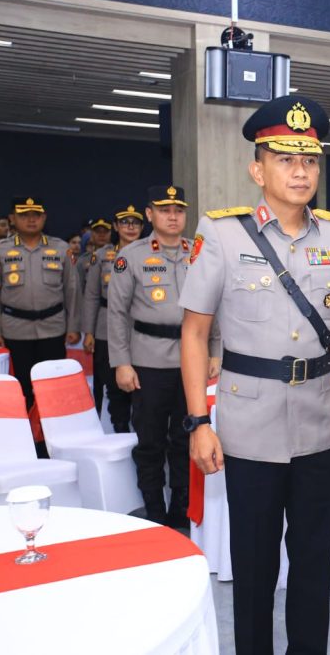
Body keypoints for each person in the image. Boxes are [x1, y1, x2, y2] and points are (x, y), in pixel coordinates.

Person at [181, 95, 330, 655]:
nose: (300, 171)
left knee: (314, 563)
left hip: (318, 422)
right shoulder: (222, 234)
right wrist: (198, 422)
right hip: (250, 425)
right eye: (285, 160)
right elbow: (194, 333)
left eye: (309, 160)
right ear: (257, 170)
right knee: (255, 565)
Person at [108, 185, 207, 527]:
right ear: (150, 215)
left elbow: (214, 306)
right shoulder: (131, 256)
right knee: (150, 441)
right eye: (165, 210)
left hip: (191, 362)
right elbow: (117, 314)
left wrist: (215, 353)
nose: (173, 216)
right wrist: (122, 363)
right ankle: (153, 511)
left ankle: (180, 510)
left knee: (185, 437)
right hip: (147, 362)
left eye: (178, 210)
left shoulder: (199, 253)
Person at [0, 197, 80, 410]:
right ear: (12, 219)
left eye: (36, 215)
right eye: (24, 215)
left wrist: (73, 326)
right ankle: (26, 429)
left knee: (53, 388)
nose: (31, 220)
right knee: (21, 388)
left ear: (44, 217)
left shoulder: (61, 248)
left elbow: (72, 290)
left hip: (53, 328)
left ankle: (49, 431)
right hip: (15, 330)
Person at [82, 205, 144, 433]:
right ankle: (120, 428)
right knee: (113, 384)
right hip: (106, 327)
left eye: (135, 223)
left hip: (140, 328)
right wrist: (88, 332)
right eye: (125, 223)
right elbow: (91, 296)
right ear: (116, 227)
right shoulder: (101, 256)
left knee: (142, 384)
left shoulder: (151, 253)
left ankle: (141, 432)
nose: (130, 227)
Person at [79, 218, 112, 288]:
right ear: (91, 234)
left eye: (105, 231)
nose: (101, 235)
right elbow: (79, 287)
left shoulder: (119, 256)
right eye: (97, 231)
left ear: (110, 234)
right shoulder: (82, 260)